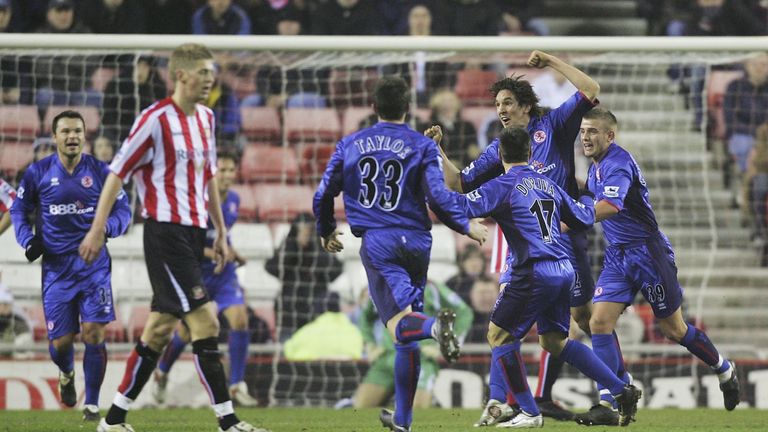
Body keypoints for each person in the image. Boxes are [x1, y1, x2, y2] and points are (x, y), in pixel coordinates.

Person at [78, 43, 266, 432]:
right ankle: (228, 421)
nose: (210, 80)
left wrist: (221, 232)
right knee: (206, 321)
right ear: (181, 75)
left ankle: (113, 420)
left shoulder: (207, 118)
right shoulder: (155, 119)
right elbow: (117, 173)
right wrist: (97, 229)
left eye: (212, 74)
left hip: (194, 234)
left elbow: (209, 177)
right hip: (164, 233)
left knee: (160, 329)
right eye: (203, 73)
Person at [430, 50, 610, 424]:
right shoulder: (502, 148)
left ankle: (597, 391)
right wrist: (438, 150)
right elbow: (460, 182)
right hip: (524, 245)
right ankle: (504, 401)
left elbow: (591, 88)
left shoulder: (554, 124)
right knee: (509, 325)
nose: (501, 109)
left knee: (578, 320)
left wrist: (552, 62)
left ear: (526, 106)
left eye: (508, 102)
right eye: (497, 104)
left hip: (565, 236)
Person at [313, 76, 488, 432]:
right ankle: (403, 421)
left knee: (400, 324)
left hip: (380, 242)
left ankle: (434, 327)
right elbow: (438, 196)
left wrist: (326, 230)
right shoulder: (422, 145)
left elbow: (323, 194)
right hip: (419, 242)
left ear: (374, 107)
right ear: (408, 108)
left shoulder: (350, 144)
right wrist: (464, 225)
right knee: (406, 338)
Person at [455, 126, 642, 428]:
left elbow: (460, 205)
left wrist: (434, 188)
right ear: (530, 153)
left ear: (500, 154)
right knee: (555, 341)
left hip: (532, 270)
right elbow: (584, 217)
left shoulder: (502, 185)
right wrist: (586, 196)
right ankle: (622, 390)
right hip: (563, 269)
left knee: (498, 335)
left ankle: (528, 411)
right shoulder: (548, 184)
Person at [576, 107, 741, 423]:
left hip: (648, 255)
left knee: (673, 329)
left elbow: (610, 205)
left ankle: (723, 368)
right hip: (618, 255)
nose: (585, 137)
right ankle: (610, 399)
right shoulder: (596, 165)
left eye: (593, 131)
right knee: (598, 322)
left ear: (610, 135)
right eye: (583, 131)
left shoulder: (617, 163)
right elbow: (591, 192)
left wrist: (574, 216)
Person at [10, 110, 131, 421]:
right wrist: (28, 240)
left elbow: (124, 211)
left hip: (93, 266)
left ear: (84, 135)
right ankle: (66, 372)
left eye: (77, 130)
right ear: (54, 137)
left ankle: (92, 405)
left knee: (94, 333)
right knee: (62, 343)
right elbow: (18, 211)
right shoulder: (37, 172)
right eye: (65, 131)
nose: (72, 136)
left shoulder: (102, 171)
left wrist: (105, 230)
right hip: (56, 270)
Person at [151, 151, 258, 408]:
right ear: (212, 172)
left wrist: (233, 253)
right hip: (197, 272)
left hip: (223, 274)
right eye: (222, 170)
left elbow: (222, 236)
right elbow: (186, 244)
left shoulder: (234, 200)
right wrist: (215, 253)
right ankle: (162, 371)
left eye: (231, 170)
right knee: (187, 332)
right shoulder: (198, 201)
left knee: (240, 318)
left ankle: (236, 384)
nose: (227, 175)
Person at [351, 279, 472, 409]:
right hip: (388, 358)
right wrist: (370, 344)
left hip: (420, 358)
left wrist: (444, 344)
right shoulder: (382, 287)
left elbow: (465, 313)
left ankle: (430, 404)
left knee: (418, 408)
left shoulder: (432, 288)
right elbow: (365, 317)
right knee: (361, 407)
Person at [265, 212, 343, 339]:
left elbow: (335, 271)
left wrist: (319, 247)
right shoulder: (288, 247)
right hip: (290, 314)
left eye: (309, 230)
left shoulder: (319, 250)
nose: (306, 234)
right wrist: (294, 246)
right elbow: (272, 267)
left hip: (316, 313)